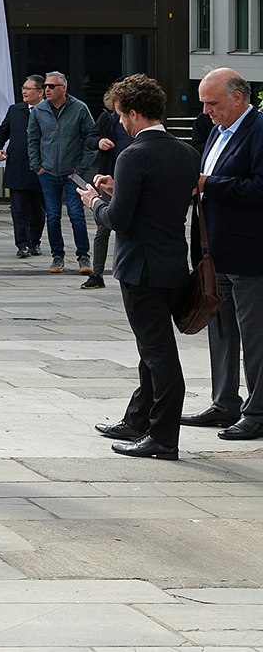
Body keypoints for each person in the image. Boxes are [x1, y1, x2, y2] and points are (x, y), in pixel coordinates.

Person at [82, 75, 196, 460]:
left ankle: (163, 438)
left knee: (158, 353)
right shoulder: (185, 152)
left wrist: (95, 202)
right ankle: (138, 419)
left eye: (120, 116)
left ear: (133, 113)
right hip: (173, 263)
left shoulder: (134, 154)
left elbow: (119, 219)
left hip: (141, 268)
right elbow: (156, 202)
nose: (120, 124)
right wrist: (118, 189)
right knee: (152, 349)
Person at [186, 67, 263, 440]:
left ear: (238, 97)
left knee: (254, 335)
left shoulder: (258, 129)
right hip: (214, 252)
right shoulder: (218, 131)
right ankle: (224, 403)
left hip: (249, 255)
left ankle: (258, 411)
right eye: (203, 103)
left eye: (212, 103)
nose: (206, 111)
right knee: (220, 329)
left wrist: (210, 184)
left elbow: (260, 187)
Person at [27, 69, 96, 275]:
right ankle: (58, 256)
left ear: (63, 88)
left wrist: (82, 166)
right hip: (48, 172)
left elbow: (91, 138)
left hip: (72, 173)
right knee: (53, 215)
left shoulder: (79, 109)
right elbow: (32, 139)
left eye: (51, 86)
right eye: (45, 86)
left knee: (76, 214)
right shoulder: (39, 111)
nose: (46, 90)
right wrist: (36, 165)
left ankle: (83, 256)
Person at [83, 93, 136, 290]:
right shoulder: (108, 118)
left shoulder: (139, 119)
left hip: (132, 176)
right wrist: (99, 142)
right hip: (109, 177)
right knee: (103, 226)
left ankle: (129, 270)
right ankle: (97, 273)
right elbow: (90, 138)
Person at [0, 75, 47, 259]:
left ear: (40, 92)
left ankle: (35, 242)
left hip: (41, 168)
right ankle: (22, 244)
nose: (24, 91)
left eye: (28, 88)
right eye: (23, 87)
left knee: (38, 210)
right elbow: (1, 133)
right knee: (19, 209)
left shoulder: (49, 111)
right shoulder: (15, 110)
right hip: (17, 166)